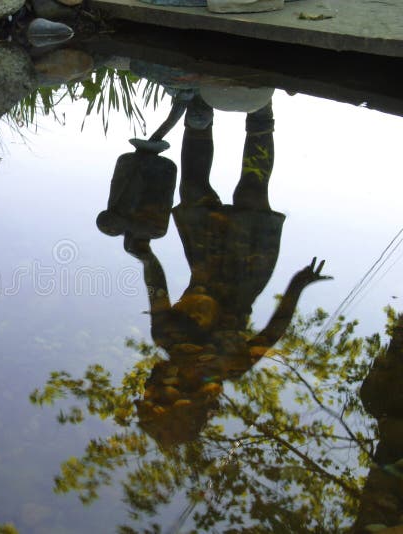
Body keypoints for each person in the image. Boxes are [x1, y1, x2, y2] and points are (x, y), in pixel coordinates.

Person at [102, 95, 331, 445]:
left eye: (147, 394)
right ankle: (259, 114)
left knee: (194, 190)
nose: (148, 386)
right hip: (248, 269)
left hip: (204, 261)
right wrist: (297, 287)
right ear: (186, 400)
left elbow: (157, 290)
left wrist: (146, 256)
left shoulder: (166, 337)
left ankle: (198, 119)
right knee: (253, 191)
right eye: (153, 396)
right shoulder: (232, 365)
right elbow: (272, 333)